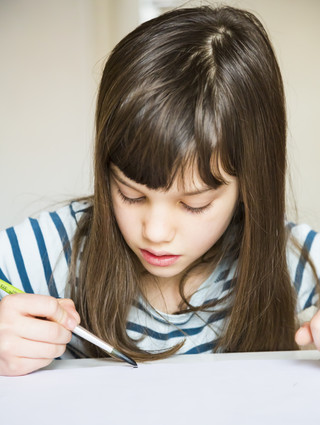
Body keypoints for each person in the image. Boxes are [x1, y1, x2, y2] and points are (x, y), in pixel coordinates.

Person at [0, 5, 319, 377]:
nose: (155, 231)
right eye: (131, 195)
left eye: (194, 204)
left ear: (251, 185)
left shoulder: (296, 260)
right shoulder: (49, 252)